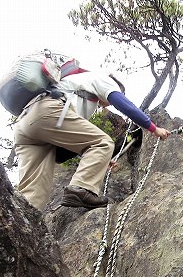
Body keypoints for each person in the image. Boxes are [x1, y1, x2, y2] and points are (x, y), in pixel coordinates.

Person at [13, 69, 170, 211]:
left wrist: (100, 158)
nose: (107, 105)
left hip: (25, 124)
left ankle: (18, 228)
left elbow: (69, 144)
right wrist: (154, 129)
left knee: (33, 196)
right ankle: (81, 189)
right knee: (104, 142)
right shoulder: (103, 79)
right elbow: (125, 106)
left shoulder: (79, 89)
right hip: (47, 111)